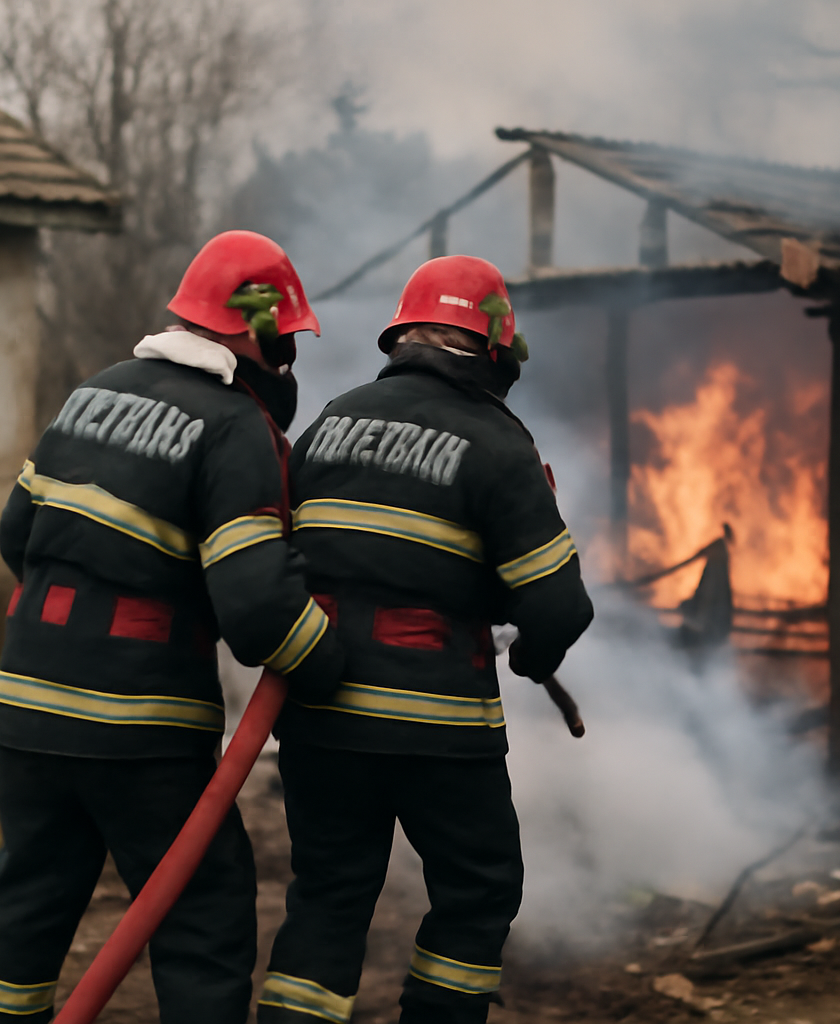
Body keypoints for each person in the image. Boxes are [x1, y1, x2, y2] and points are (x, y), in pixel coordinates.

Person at [0, 231, 343, 1024]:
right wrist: (328, 656)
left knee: (28, 901)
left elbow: (13, 539)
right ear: (257, 331)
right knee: (203, 908)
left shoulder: (91, 394)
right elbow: (259, 610)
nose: (289, 361)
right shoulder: (236, 428)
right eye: (287, 341)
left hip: (25, 710)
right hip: (138, 727)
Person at [257, 256, 594, 1024]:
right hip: (438, 728)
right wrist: (534, 657)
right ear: (496, 345)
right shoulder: (498, 444)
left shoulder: (330, 421)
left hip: (320, 717)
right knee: (476, 894)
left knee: (329, 896)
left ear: (403, 335)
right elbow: (559, 608)